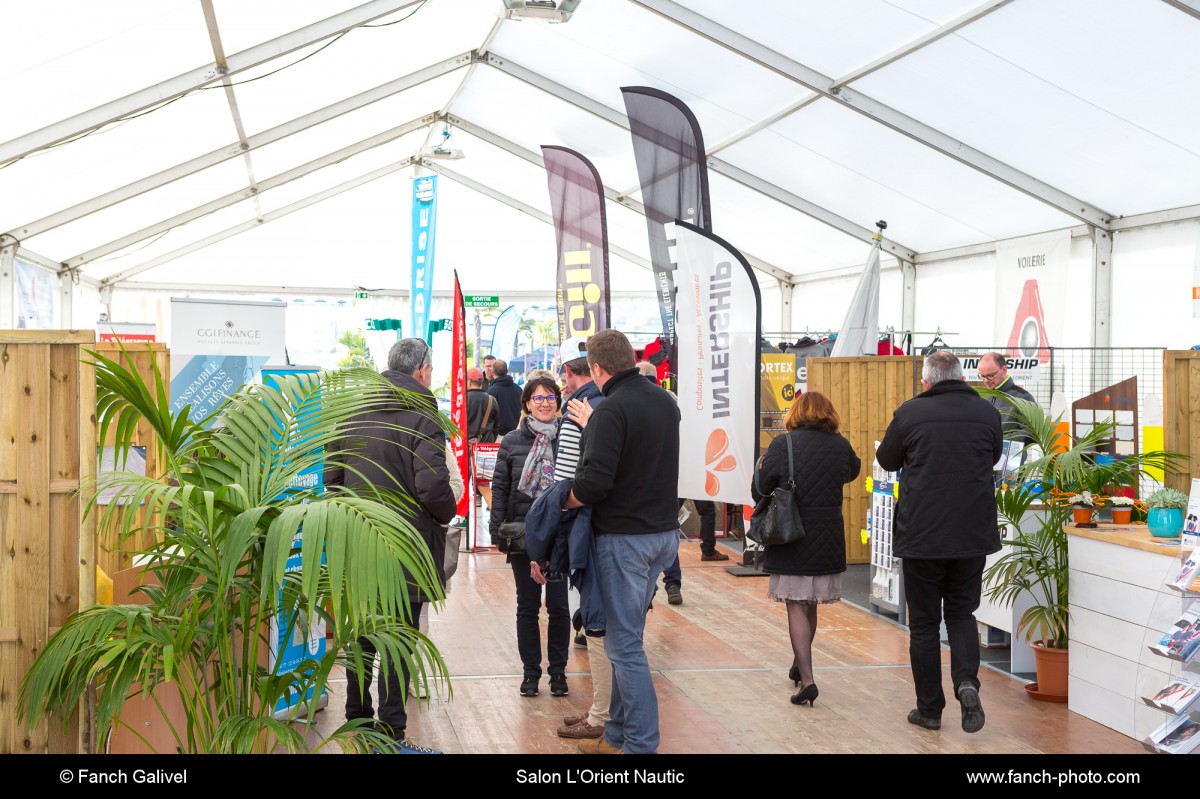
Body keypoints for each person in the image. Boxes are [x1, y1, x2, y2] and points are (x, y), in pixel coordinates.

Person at [325, 337, 456, 754]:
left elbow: (333, 481)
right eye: (431, 370)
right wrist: (445, 513)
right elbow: (432, 486)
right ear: (421, 370)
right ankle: (393, 731)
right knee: (398, 637)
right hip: (406, 548)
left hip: (358, 543)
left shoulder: (350, 413)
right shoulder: (421, 416)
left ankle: (357, 722)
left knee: (361, 636)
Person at [566, 329, 680, 755]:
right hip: (663, 537)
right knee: (624, 635)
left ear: (596, 369)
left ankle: (641, 747)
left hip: (625, 539)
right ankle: (615, 734)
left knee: (623, 645)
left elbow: (594, 483)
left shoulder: (611, 410)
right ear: (632, 359)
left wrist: (560, 503)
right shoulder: (665, 403)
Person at [876, 350, 1002, 735]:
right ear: (962, 377)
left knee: (926, 626)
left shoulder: (910, 412)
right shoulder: (987, 413)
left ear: (927, 381)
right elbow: (994, 456)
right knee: (962, 615)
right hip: (971, 534)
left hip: (923, 536)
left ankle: (929, 710)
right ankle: (967, 684)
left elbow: (886, 459)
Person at [751, 392, 860, 707]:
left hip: (792, 534)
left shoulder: (783, 445)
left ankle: (808, 680)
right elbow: (852, 471)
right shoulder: (840, 445)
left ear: (796, 413)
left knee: (796, 605)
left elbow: (760, 488)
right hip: (828, 534)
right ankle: (800, 665)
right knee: (809, 604)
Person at [490, 375, 570, 698]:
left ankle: (559, 672)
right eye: (538, 398)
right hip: (523, 535)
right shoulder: (511, 440)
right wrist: (497, 529)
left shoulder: (567, 438)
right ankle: (530, 672)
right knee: (527, 605)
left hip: (560, 536)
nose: (545, 404)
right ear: (526, 404)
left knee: (559, 606)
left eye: (551, 398)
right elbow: (500, 487)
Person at [552, 338, 609, 740]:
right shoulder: (609, 404)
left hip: (589, 529)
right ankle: (601, 710)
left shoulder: (579, 411)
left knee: (597, 625)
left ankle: (603, 715)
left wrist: (553, 526)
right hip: (624, 530)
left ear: (571, 372)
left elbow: (568, 481)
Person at [978, 352, 1036, 442]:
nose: (985, 380)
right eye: (982, 376)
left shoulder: (1023, 398)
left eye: (990, 375)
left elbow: (1031, 434)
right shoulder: (982, 397)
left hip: (1011, 455)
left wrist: (998, 440)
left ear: (1004, 370)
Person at [487, 359, 522, 435]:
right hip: (517, 433)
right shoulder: (518, 389)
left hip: (498, 435)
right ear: (507, 371)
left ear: (492, 372)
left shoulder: (491, 391)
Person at [466, 368, 498, 443]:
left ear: (469, 382)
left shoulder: (462, 400)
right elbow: (496, 426)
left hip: (466, 447)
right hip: (486, 446)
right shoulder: (491, 400)